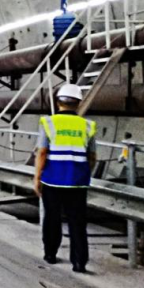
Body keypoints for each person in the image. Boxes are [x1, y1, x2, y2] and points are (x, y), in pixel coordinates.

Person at [33, 83, 97, 273]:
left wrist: (37, 178)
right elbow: (92, 156)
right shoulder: (87, 125)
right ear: (78, 103)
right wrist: (84, 172)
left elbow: (42, 152)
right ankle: (79, 262)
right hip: (78, 182)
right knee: (77, 222)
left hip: (52, 179)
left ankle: (51, 254)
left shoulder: (48, 122)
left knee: (52, 218)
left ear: (58, 101)